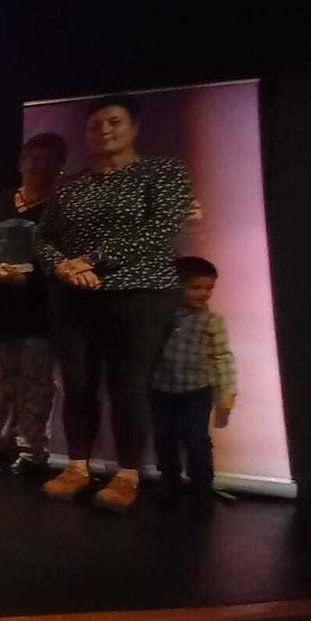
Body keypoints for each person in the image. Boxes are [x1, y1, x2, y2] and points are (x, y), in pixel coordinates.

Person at [34, 94, 195, 512]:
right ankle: (77, 466)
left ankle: (127, 474)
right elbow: (42, 236)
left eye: (114, 122)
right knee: (78, 384)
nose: (104, 130)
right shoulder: (71, 185)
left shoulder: (162, 173)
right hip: (75, 297)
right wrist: (63, 267)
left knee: (128, 386)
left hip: (139, 294)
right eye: (95, 125)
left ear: (133, 127)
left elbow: (159, 231)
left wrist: (91, 260)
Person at [0, 133, 67, 474]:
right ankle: (1, 444)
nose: (38, 165)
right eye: (33, 157)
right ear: (21, 162)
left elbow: (63, 261)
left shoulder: (61, 208)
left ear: (60, 166)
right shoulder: (1, 201)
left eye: (47, 159)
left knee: (35, 386)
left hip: (39, 313)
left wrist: (28, 279)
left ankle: (32, 453)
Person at [150, 256, 237, 501]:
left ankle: (201, 484)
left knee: (196, 438)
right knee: (164, 437)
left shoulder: (212, 320)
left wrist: (227, 390)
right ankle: (169, 480)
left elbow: (222, 356)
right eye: (196, 287)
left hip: (196, 390)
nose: (203, 294)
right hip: (161, 388)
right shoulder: (164, 317)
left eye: (209, 288)